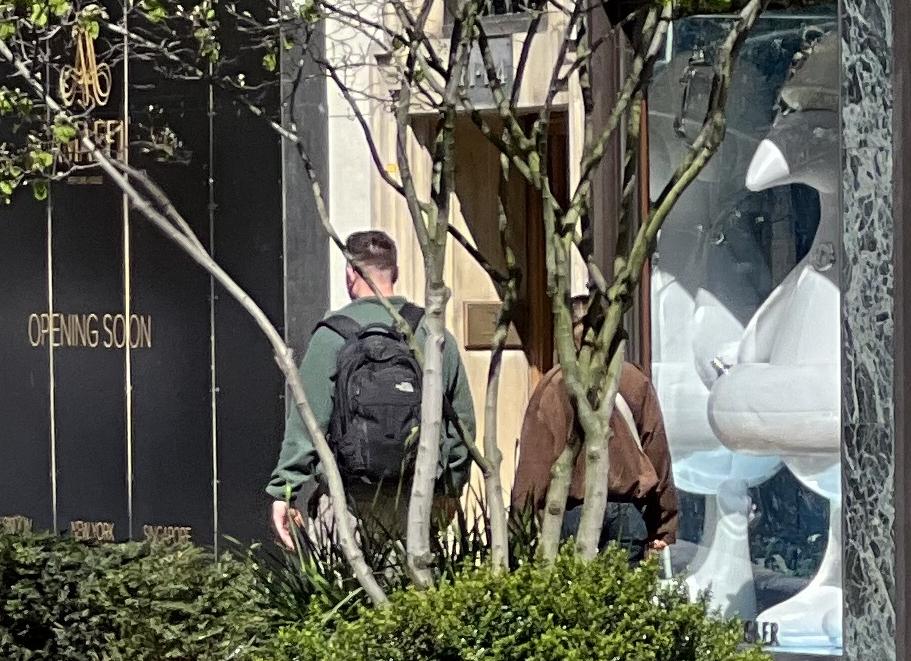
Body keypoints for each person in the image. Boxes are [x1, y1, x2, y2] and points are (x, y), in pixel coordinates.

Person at [268, 230, 475, 551]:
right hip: (416, 499)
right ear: (396, 272)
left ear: (351, 273)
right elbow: (461, 424)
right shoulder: (431, 333)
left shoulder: (332, 336)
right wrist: (450, 489)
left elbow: (308, 424)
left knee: (347, 598)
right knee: (413, 596)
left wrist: (286, 491)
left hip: (345, 502)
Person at [508, 302, 681, 554]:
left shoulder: (552, 386)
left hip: (568, 513)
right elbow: (656, 453)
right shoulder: (632, 380)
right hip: (626, 512)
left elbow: (534, 465)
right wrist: (664, 523)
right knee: (624, 592)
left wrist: (520, 528)